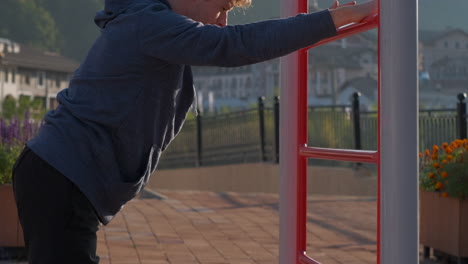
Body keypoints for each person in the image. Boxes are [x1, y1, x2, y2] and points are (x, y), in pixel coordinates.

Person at [12, 0, 377, 262]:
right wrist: (336, 18)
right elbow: (234, 44)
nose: (221, 21)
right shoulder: (147, 24)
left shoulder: (149, 25)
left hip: (60, 174)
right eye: (222, 7)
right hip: (62, 177)